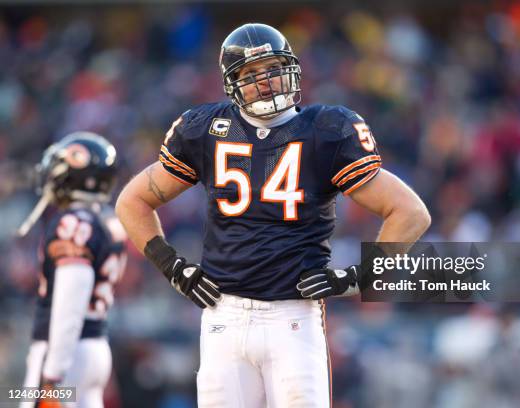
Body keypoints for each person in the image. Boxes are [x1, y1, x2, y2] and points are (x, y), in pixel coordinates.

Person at [115, 23, 430, 407]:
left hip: (292, 318)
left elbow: (410, 212)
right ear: (231, 84)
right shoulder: (206, 129)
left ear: (291, 69)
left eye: (272, 68)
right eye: (250, 74)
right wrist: (172, 267)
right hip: (222, 317)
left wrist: (358, 278)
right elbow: (131, 202)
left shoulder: (326, 129)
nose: (264, 82)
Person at [18, 132, 126, 408]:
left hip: (68, 351)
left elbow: (70, 300)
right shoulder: (108, 222)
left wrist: (53, 374)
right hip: (95, 345)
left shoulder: (74, 224)